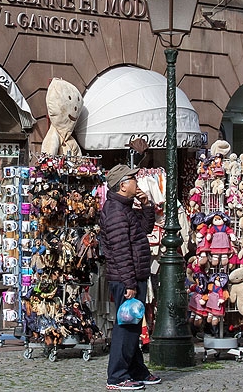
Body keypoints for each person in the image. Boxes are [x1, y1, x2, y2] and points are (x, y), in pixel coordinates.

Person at [100, 164, 161, 390]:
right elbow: (120, 251)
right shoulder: (116, 212)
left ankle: (136, 370)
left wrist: (146, 205)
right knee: (126, 328)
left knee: (132, 325)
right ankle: (117, 376)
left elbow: (144, 229)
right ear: (123, 185)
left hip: (133, 275)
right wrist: (129, 283)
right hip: (126, 278)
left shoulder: (125, 207)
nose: (137, 182)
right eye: (133, 179)